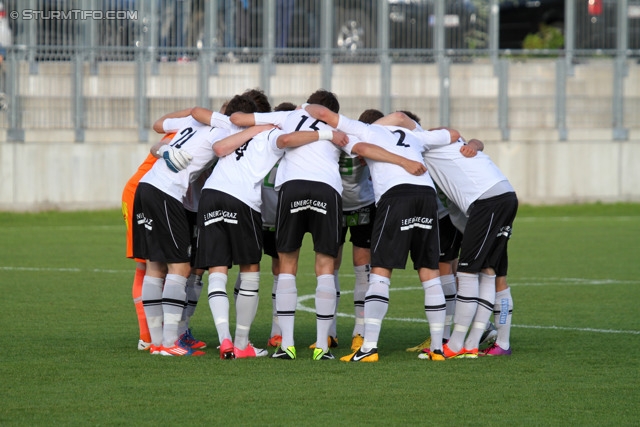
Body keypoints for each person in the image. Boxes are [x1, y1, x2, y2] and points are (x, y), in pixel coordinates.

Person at [303, 104, 460, 362]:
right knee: (429, 272)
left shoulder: (366, 130)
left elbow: (325, 116)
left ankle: (369, 348)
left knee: (380, 271)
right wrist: (415, 135)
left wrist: (302, 108)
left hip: (397, 195)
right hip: (426, 195)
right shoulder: (414, 135)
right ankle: (438, 349)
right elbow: (452, 133)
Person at [195, 115, 349, 359]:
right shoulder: (275, 132)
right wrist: (329, 134)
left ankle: (231, 339)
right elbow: (288, 138)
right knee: (255, 269)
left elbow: (218, 134)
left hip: (211, 194)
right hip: (247, 199)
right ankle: (314, 345)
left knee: (219, 269)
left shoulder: (234, 130)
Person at [133, 95, 256, 357]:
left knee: (155, 264)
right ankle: (169, 343)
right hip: (166, 193)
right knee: (181, 266)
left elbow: (159, 126)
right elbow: (201, 118)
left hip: (147, 187)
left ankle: (157, 342)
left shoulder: (191, 123)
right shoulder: (226, 127)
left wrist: (163, 148)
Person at [417, 136, 518, 359]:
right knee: (493, 273)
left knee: (469, 273)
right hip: (493, 203)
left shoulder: (425, 143)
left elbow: (468, 139)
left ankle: (458, 345)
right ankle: (498, 343)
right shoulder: (427, 147)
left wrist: (474, 145)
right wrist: (475, 145)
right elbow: (472, 141)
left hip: (486, 206)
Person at [309, 108, 384, 352]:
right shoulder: (372, 144)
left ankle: (330, 332)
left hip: (336, 205)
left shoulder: (336, 137)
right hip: (359, 204)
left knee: (331, 266)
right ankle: (358, 333)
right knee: (361, 270)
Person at [121, 135, 166, 351]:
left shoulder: (186, 128)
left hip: (155, 194)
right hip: (140, 194)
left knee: (163, 263)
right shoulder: (189, 129)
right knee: (147, 264)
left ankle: (159, 332)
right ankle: (146, 336)